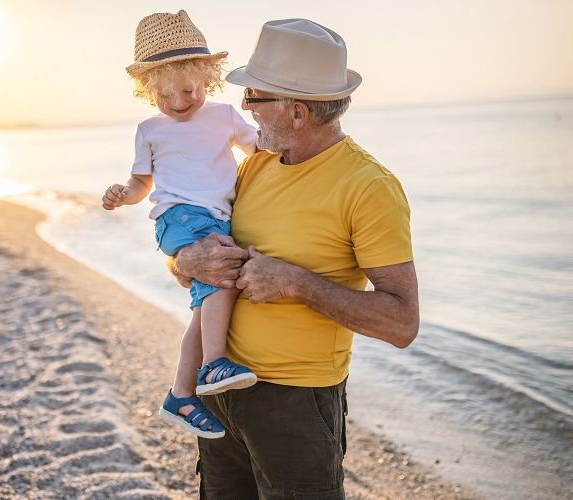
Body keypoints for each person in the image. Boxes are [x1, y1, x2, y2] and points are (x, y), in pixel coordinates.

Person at [172, 18, 420, 499]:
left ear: (298, 112)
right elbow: (195, 269)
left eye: (255, 97)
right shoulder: (255, 164)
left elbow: (402, 324)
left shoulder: (368, 187)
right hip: (219, 388)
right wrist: (187, 263)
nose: (243, 107)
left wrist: (297, 283)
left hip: (297, 407)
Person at [101, 10, 259, 440]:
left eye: (188, 90)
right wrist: (123, 194)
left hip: (212, 216)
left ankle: (180, 394)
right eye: (164, 96)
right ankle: (214, 365)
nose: (177, 103)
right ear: (147, 92)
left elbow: (260, 150)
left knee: (201, 311)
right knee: (221, 275)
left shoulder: (224, 115)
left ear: (207, 77)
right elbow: (141, 182)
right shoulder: (151, 129)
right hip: (178, 217)